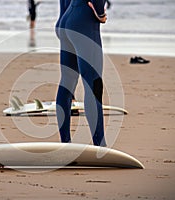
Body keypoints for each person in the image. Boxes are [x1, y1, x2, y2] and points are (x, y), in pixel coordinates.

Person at [55, 0, 107, 146]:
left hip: (64, 21)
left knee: (67, 82)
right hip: (83, 23)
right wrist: (101, 13)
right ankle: (100, 145)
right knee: (93, 84)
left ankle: (65, 142)